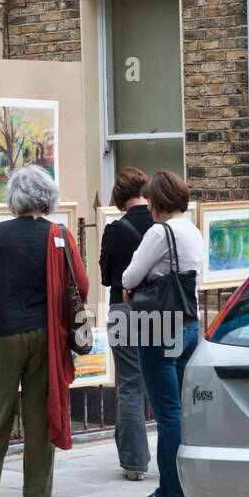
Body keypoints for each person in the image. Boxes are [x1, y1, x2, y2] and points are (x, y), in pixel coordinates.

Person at [0, 165, 89, 497]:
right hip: (46, 335)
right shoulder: (60, 234)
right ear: (48, 198)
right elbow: (82, 285)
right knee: (40, 418)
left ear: (13, 198)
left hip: (2, 333)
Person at [121, 170, 203, 497]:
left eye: (151, 199)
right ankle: (185, 488)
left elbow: (129, 276)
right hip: (188, 325)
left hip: (158, 325)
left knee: (167, 412)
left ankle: (168, 493)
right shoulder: (193, 230)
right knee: (183, 412)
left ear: (158, 201)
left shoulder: (160, 231)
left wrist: (129, 287)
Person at [99, 166, 153, 481]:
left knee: (130, 385)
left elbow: (108, 278)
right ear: (145, 191)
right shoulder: (163, 224)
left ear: (119, 198)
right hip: (160, 311)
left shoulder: (115, 229)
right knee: (165, 385)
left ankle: (134, 464)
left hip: (123, 309)